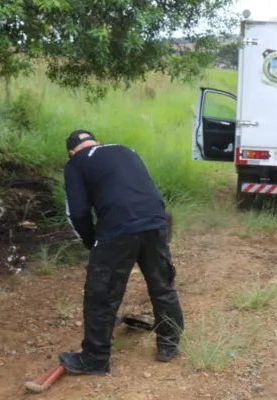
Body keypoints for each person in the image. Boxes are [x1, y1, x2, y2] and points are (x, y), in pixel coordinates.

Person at [59, 129, 184, 375]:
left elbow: (78, 213)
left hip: (117, 228)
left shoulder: (76, 163)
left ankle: (95, 360)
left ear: (72, 152)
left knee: (101, 294)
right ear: (96, 142)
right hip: (155, 220)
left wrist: (93, 243)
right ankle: (169, 344)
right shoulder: (126, 150)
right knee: (162, 285)